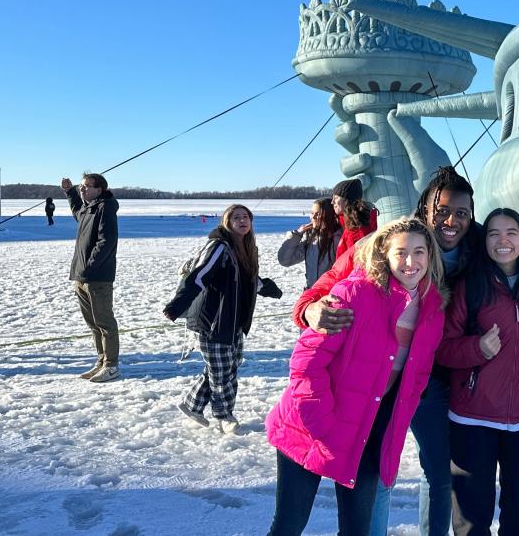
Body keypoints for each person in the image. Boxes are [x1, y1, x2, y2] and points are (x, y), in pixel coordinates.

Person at [296, 166, 481, 535]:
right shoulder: (387, 242)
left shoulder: (480, 250)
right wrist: (310, 309)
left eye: (461, 213)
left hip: (436, 380)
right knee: (377, 471)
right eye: (441, 210)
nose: (451, 220)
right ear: (425, 209)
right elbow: (326, 286)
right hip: (380, 380)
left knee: (437, 471)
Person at [265, 218, 448, 536]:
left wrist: (392, 433)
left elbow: (415, 379)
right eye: (401, 252)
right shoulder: (355, 292)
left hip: (368, 434)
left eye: (419, 252)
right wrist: (323, 424)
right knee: (288, 527)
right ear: (384, 255)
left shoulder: (432, 311)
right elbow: (305, 364)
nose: (410, 262)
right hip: (310, 426)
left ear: (430, 256)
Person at [438, 208, 519, 536]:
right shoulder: (469, 285)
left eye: (511, 232)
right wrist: (477, 349)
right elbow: (442, 347)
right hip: (473, 419)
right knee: (471, 519)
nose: (503, 241)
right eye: (493, 233)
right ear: (484, 241)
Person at [164, 204, 281, 434]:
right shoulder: (219, 247)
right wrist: (177, 305)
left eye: (246, 216)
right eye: (236, 217)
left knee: (226, 366)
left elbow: (247, 279)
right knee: (222, 371)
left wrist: (268, 288)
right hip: (213, 321)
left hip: (234, 321)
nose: (242, 220)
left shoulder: (246, 247)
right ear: (227, 222)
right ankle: (224, 416)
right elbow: (199, 276)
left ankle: (192, 404)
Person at [61, 173, 120, 383]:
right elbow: (78, 213)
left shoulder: (105, 207)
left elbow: (107, 240)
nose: (82, 189)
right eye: (81, 186)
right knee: (93, 324)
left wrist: (89, 266)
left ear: (99, 189)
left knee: (104, 323)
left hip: (97, 277)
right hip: (81, 276)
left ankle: (112, 366)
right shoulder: (89, 207)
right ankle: (102, 360)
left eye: (87, 186)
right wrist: (69, 192)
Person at [277, 197, 342, 288]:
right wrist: (297, 234)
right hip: (312, 294)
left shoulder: (339, 239)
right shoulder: (312, 240)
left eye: (318, 214)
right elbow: (285, 260)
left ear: (329, 215)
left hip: (331, 295)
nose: (313, 217)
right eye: (312, 213)